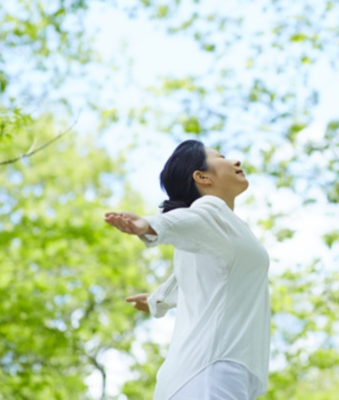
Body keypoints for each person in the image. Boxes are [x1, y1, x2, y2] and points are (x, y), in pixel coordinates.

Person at [104, 140, 270, 400]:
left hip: (210, 374)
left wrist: (156, 300)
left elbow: (200, 276)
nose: (236, 162)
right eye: (221, 157)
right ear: (202, 176)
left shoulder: (215, 232)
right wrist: (148, 224)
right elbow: (182, 221)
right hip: (210, 374)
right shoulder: (209, 211)